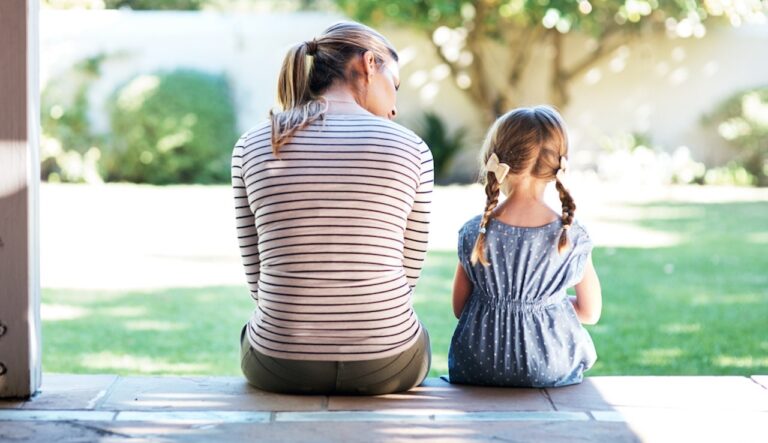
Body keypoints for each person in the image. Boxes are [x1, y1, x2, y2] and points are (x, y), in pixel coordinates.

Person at [231, 21, 433, 395]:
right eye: (396, 85)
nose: (394, 107)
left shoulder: (253, 144)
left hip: (279, 363)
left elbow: (257, 276)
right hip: (387, 364)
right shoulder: (412, 149)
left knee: (253, 331)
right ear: (369, 64)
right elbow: (406, 276)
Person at [448, 106, 602, 387]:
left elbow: (460, 308)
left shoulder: (474, 231)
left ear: (496, 160)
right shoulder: (571, 236)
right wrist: (546, 304)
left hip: (478, 365)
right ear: (558, 166)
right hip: (549, 366)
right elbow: (590, 312)